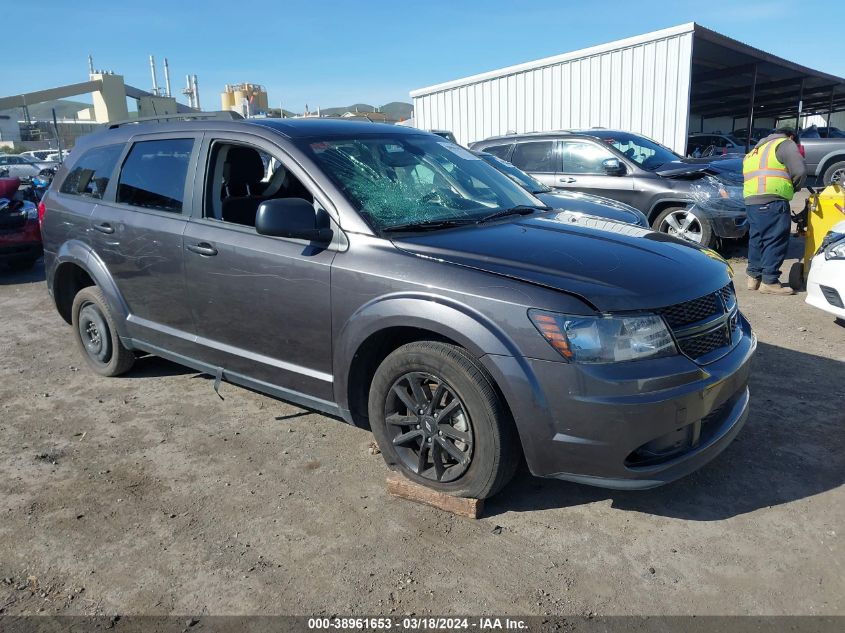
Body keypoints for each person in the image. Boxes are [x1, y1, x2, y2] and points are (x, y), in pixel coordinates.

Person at [742, 127, 807, 295]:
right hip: (773, 200)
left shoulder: (755, 150)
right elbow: (799, 171)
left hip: (751, 201)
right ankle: (769, 281)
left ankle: (753, 277)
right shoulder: (785, 143)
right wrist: (794, 187)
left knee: (757, 238)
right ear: (792, 136)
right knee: (775, 239)